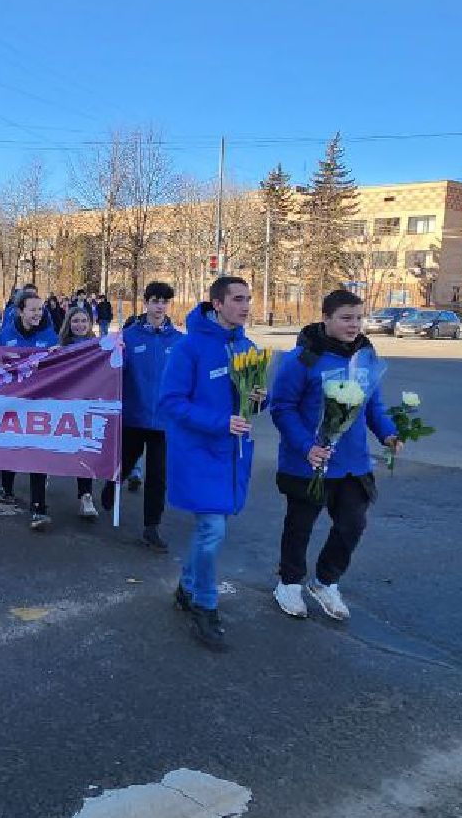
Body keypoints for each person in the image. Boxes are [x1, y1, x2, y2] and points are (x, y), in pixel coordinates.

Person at [269, 289, 402, 622]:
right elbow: (282, 407)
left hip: (353, 463)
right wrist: (306, 446)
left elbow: (373, 404)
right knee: (300, 526)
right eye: (345, 318)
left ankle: (326, 581)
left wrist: (387, 433)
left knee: (352, 525)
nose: (354, 325)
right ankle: (288, 583)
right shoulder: (304, 357)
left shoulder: (365, 354)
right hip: (309, 461)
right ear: (325, 318)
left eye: (359, 318)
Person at [159, 275, 260, 651]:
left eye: (248, 298)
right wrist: (220, 422)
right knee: (212, 530)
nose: (245, 306)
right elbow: (170, 402)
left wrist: (258, 400)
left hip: (232, 456)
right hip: (199, 454)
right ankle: (205, 605)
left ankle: (186, 587)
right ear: (217, 304)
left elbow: (249, 406)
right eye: (237, 299)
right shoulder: (190, 348)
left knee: (212, 530)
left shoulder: (247, 346)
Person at [100, 281, 180, 552]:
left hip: (163, 422)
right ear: (146, 303)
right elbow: (109, 368)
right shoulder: (129, 337)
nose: (159, 306)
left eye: (164, 301)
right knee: (124, 462)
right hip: (134, 417)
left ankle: (151, 527)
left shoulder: (178, 340)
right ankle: (112, 487)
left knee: (158, 476)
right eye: (155, 300)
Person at [0, 290, 60, 531]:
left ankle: (38, 509)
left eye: (40, 310)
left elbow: (60, 366)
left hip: (39, 404)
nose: (37, 314)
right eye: (32, 309)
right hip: (11, 404)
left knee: (37, 453)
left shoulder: (49, 336)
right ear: (20, 311)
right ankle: (6, 487)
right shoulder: (4, 336)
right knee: (11, 448)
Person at [59, 306, 103, 521]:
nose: (79, 325)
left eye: (83, 321)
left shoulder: (98, 347)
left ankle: (86, 496)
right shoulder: (59, 347)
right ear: (69, 323)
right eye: (75, 321)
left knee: (84, 451)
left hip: (87, 406)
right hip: (63, 405)